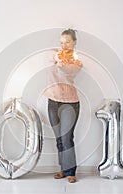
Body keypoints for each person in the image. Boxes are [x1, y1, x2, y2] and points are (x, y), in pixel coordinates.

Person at [43, 29, 83, 183]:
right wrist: (57, 56)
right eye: (62, 42)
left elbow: (66, 70)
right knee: (59, 138)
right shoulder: (55, 53)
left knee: (67, 138)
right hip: (52, 101)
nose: (64, 45)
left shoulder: (76, 62)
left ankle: (71, 171)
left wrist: (62, 63)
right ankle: (63, 169)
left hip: (70, 103)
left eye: (68, 41)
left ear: (74, 42)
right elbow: (50, 57)